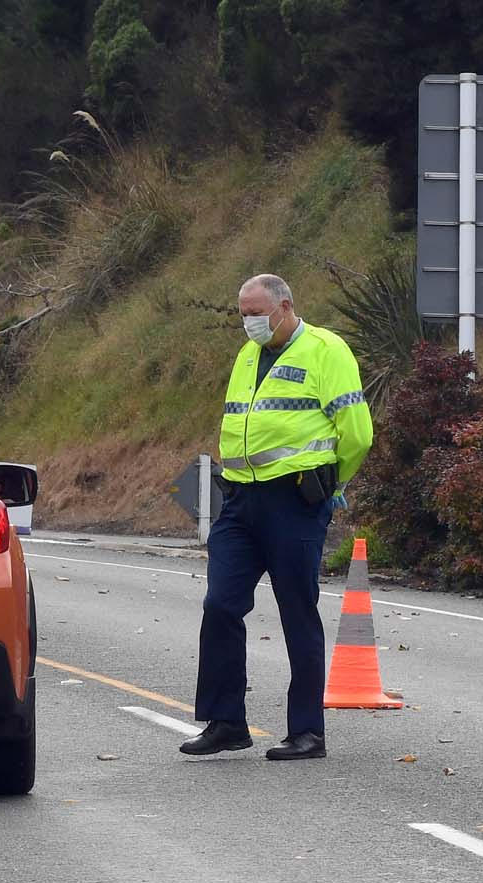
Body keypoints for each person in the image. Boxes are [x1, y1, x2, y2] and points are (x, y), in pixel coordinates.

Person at [179, 274, 374, 761]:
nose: (250, 322)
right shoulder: (248, 355)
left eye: (257, 312)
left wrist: (333, 484)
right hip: (240, 501)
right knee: (220, 606)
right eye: (243, 313)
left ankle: (307, 732)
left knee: (297, 613)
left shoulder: (326, 350)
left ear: (285, 307)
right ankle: (226, 722)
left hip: (295, 501)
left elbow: (358, 433)